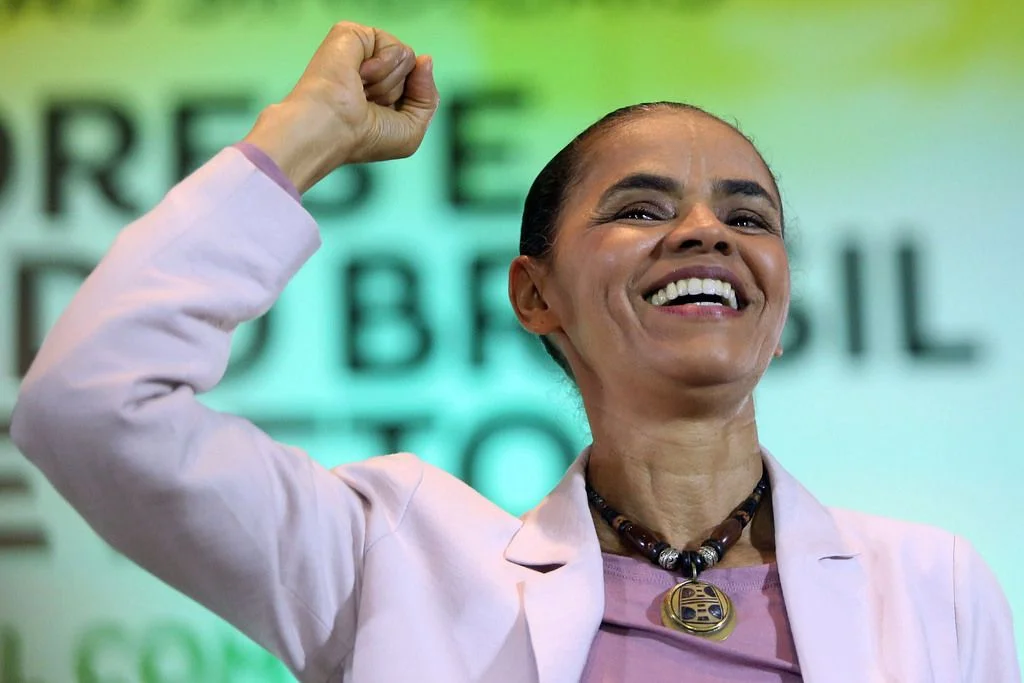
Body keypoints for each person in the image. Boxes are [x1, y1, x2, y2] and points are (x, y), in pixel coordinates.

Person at [10, 20, 1019, 683]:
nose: (709, 231)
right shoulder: (393, 561)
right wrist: (304, 134)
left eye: (746, 215)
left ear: (777, 301)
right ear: (536, 295)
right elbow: (91, 405)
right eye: (640, 207)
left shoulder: (931, 582)